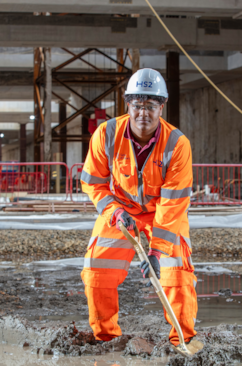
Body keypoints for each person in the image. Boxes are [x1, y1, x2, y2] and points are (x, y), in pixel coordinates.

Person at [80, 68, 196, 347]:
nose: (143, 113)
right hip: (121, 211)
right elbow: (93, 184)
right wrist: (115, 212)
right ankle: (105, 338)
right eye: (137, 105)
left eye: (151, 106)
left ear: (161, 107)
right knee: (97, 268)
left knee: (176, 274)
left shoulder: (177, 144)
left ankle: (182, 341)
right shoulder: (106, 134)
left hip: (162, 213)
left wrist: (157, 252)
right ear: (127, 104)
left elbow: (173, 203)